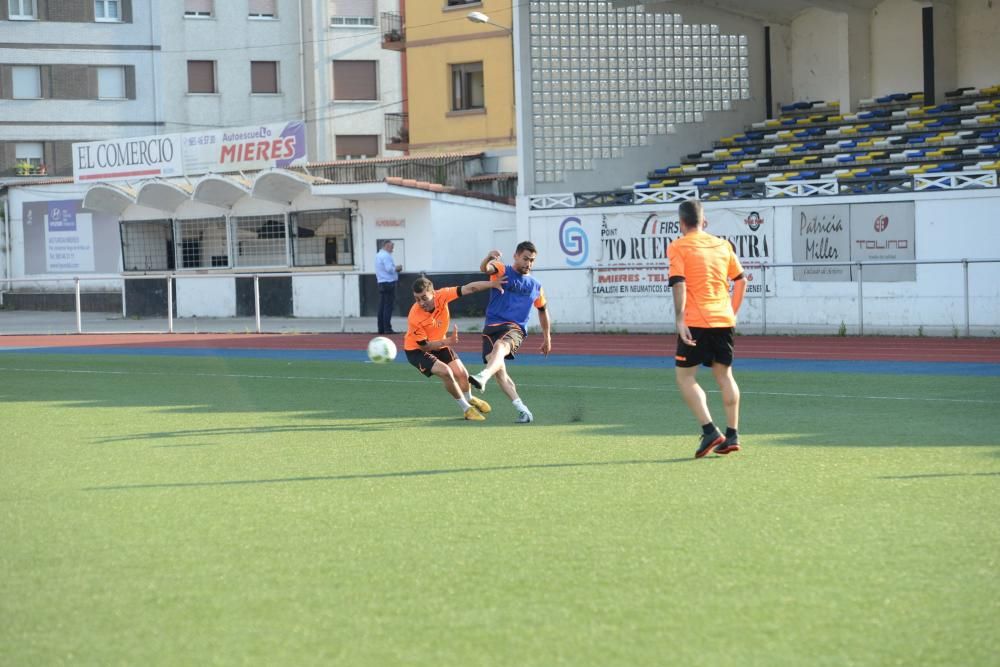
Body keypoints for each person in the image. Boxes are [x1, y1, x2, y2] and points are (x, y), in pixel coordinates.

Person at [668, 199, 747, 458]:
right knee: (725, 376)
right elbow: (741, 279)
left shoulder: (678, 246)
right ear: (704, 221)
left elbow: (679, 282)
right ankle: (732, 435)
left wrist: (680, 319)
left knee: (685, 377)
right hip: (723, 320)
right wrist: (731, 311)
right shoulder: (723, 245)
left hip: (695, 321)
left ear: (681, 223)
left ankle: (710, 430)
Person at [468, 241, 552, 424]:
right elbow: (485, 268)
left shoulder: (536, 285)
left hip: (515, 329)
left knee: (500, 346)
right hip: (491, 328)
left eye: (532, 260)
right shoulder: (502, 270)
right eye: (525, 259)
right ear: (516, 256)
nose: (528, 263)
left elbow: (543, 310)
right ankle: (524, 411)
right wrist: (488, 257)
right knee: (500, 373)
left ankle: (483, 376)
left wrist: (547, 337)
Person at [404, 275, 505, 421]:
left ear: (433, 293)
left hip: (440, 342)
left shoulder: (443, 295)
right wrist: (448, 341)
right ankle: (466, 409)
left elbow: (469, 288)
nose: (420, 303)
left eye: (424, 298)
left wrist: (492, 284)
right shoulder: (414, 316)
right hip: (417, 351)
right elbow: (425, 347)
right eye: (417, 299)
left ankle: (470, 398)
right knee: (446, 372)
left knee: (462, 374)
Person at [375, 240, 402, 334]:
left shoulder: (378, 255)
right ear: (386, 246)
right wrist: (397, 268)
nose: (392, 249)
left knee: (382, 306)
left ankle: (381, 328)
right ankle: (387, 328)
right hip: (388, 282)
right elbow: (389, 269)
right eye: (391, 247)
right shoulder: (386, 256)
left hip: (381, 282)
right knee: (388, 307)